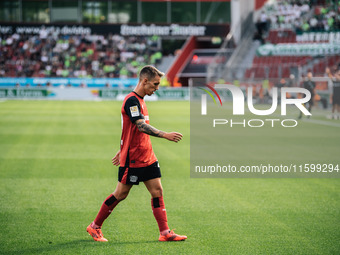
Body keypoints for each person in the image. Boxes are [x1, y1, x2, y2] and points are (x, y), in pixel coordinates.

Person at [86, 65, 187, 242]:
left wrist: (122, 146)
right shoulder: (131, 100)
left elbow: (129, 129)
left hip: (147, 156)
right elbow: (140, 125)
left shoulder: (141, 99)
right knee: (120, 194)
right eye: (155, 84)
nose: (157, 88)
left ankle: (165, 233)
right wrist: (165, 135)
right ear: (144, 81)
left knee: (157, 191)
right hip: (133, 160)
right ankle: (94, 227)